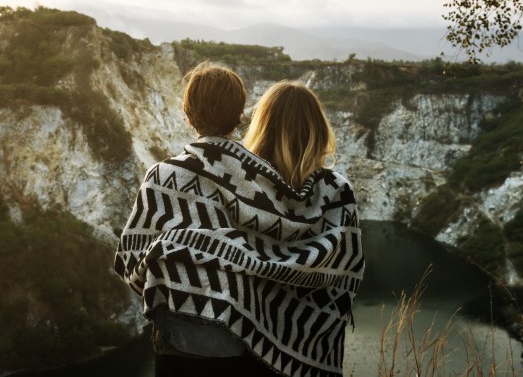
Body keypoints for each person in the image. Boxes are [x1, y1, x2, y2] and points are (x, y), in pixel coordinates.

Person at [114, 65, 364, 377]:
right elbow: (343, 271)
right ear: (240, 114)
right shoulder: (314, 191)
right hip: (256, 346)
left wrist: (174, 277)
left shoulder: (180, 179)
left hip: (184, 337)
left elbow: (132, 263)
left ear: (187, 112)